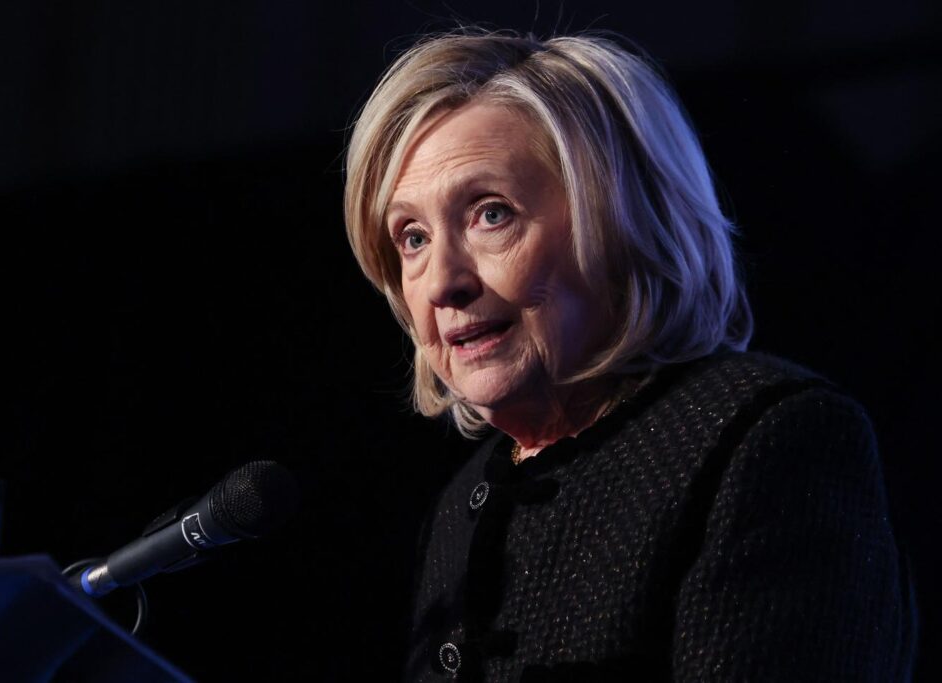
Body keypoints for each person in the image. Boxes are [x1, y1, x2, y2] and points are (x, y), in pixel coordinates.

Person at [343, 31, 915, 681]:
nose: (442, 282)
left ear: (625, 223)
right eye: (413, 237)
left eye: (491, 214)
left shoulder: (766, 441)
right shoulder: (459, 508)